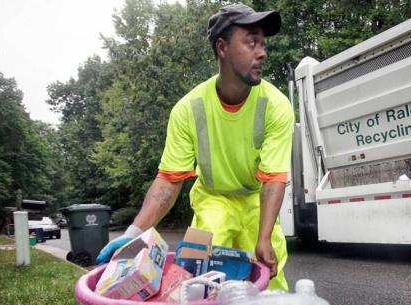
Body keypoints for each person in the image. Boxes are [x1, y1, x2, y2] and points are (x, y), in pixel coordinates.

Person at [97, 4, 293, 290]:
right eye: (251, 42)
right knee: (199, 273)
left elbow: (274, 179)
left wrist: (264, 238)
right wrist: (135, 232)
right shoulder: (188, 109)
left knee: (268, 279)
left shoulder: (276, 105)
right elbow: (168, 180)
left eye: (263, 43)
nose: (262, 52)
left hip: (256, 201)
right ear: (222, 48)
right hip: (213, 199)